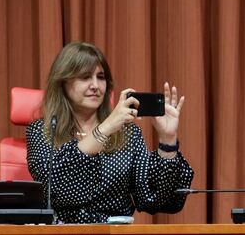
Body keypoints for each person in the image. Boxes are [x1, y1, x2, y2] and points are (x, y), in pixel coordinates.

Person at [26, 42, 194, 224]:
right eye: (85, 77)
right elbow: (54, 190)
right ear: (62, 83)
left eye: (101, 77)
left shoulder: (128, 134)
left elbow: (154, 200)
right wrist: (106, 128)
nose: (96, 86)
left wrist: (167, 141)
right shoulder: (42, 131)